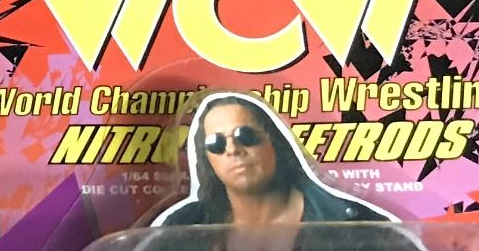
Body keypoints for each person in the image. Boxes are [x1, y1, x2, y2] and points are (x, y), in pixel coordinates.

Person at [152, 92, 394, 230]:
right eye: (216, 143)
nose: (233, 150)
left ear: (274, 142)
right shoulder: (181, 228)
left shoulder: (355, 225)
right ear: (207, 159)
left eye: (245, 135)